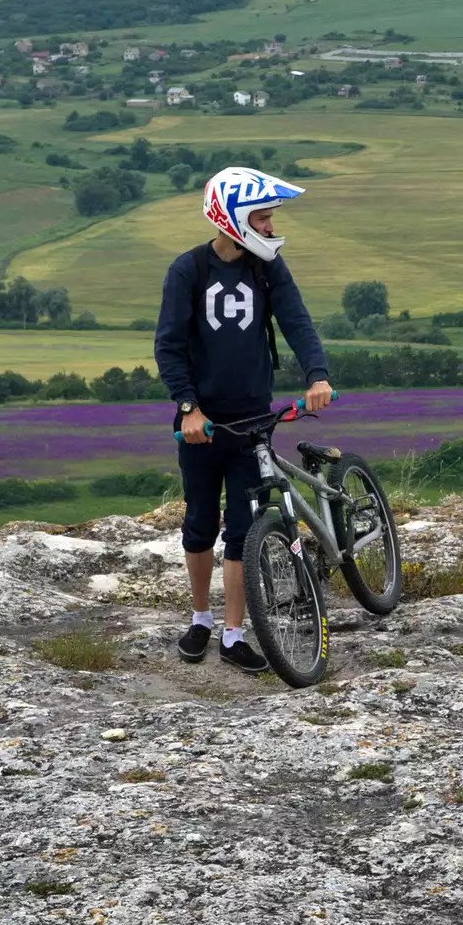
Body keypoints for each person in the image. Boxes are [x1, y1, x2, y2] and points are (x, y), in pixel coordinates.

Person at [155, 167, 334, 672]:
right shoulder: (188, 270)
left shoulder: (267, 268)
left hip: (255, 421)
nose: (273, 226)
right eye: (263, 217)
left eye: (271, 217)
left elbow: (297, 321)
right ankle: (200, 620)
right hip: (202, 423)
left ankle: (234, 635)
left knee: (240, 529)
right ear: (233, 219)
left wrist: (317, 374)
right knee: (198, 523)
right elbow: (168, 345)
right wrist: (188, 406)